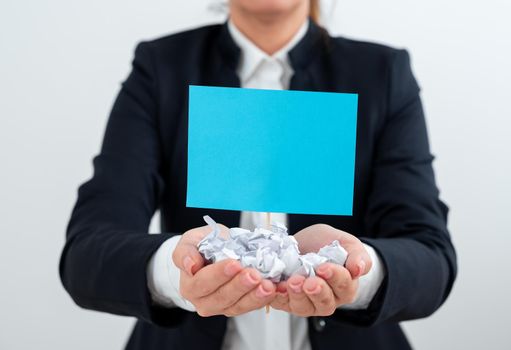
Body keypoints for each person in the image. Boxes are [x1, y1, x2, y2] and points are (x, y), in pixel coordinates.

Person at [59, 1, 457, 349]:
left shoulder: (381, 73)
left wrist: (357, 271)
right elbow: (86, 254)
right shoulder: (162, 68)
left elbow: (430, 257)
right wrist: (177, 271)